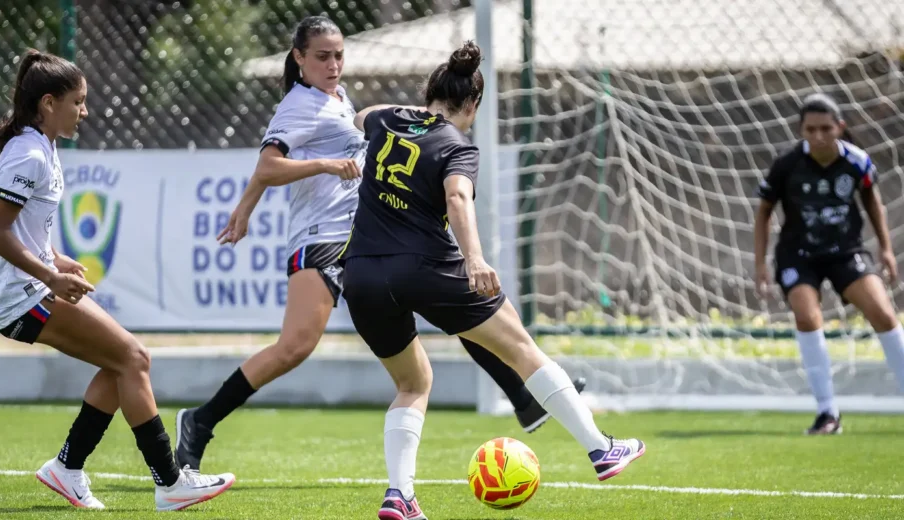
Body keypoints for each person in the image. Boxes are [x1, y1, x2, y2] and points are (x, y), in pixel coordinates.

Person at [174, 16, 585, 473]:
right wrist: (326, 167)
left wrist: (245, 209)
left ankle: (521, 397)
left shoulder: (336, 98)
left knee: (453, 297)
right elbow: (269, 165)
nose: (333, 65)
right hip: (323, 237)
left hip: (363, 236)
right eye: (322, 57)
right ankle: (199, 420)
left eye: (339, 56)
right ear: (299, 58)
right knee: (295, 346)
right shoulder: (300, 104)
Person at [340, 41, 645, 520]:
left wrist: (411, 112)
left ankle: (400, 495)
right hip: (428, 268)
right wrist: (475, 259)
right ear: (473, 105)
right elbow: (458, 199)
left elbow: (364, 114)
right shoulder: (457, 145)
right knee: (523, 349)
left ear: (429, 94)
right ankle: (600, 449)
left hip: (361, 275)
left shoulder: (388, 120)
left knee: (413, 383)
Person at [0, 49, 235, 511]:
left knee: (123, 364)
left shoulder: (42, 147)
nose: (85, 111)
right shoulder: (28, 153)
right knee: (133, 358)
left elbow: (25, 230)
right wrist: (50, 276)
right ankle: (170, 482)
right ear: (48, 103)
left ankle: (67, 468)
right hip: (21, 297)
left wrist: (57, 258)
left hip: (32, 286)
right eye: (78, 101)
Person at [754, 93, 904, 435]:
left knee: (882, 313)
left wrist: (886, 248)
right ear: (801, 130)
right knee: (807, 317)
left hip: (845, 251)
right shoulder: (786, 164)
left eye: (825, 128)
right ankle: (827, 413)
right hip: (798, 254)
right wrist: (759, 263)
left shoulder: (858, 161)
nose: (818, 136)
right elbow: (763, 211)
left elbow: (871, 200)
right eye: (810, 129)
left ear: (840, 127)